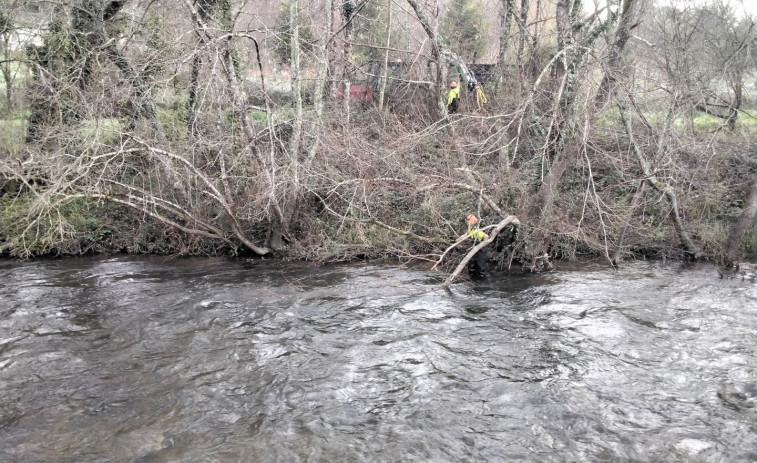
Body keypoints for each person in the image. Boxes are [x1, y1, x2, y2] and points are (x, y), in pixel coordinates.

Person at [456, 213, 490, 277]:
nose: (466, 222)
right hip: (475, 249)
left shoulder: (477, 230)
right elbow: (467, 234)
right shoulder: (471, 228)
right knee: (471, 264)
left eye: (467, 221)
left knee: (480, 265)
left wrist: (483, 244)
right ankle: (473, 277)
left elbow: (486, 237)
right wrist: (459, 238)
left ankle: (481, 279)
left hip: (482, 250)